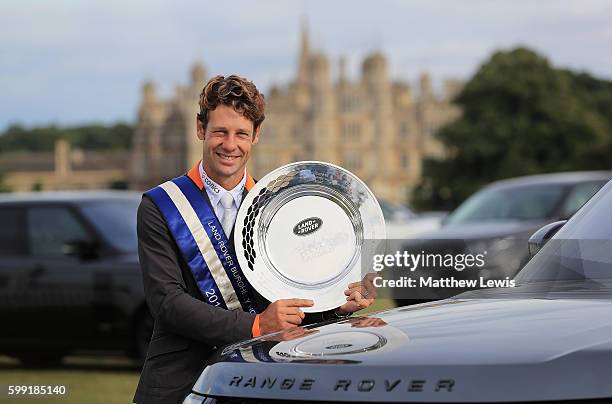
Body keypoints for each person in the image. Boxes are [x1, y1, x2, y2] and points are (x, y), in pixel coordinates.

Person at [133, 75, 376, 403]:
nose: (230, 145)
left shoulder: (277, 207)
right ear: (200, 129)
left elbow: (294, 298)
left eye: (241, 134)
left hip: (259, 382)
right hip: (182, 382)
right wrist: (255, 326)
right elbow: (167, 304)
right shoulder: (161, 205)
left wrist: (337, 304)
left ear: (256, 136)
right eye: (220, 131)